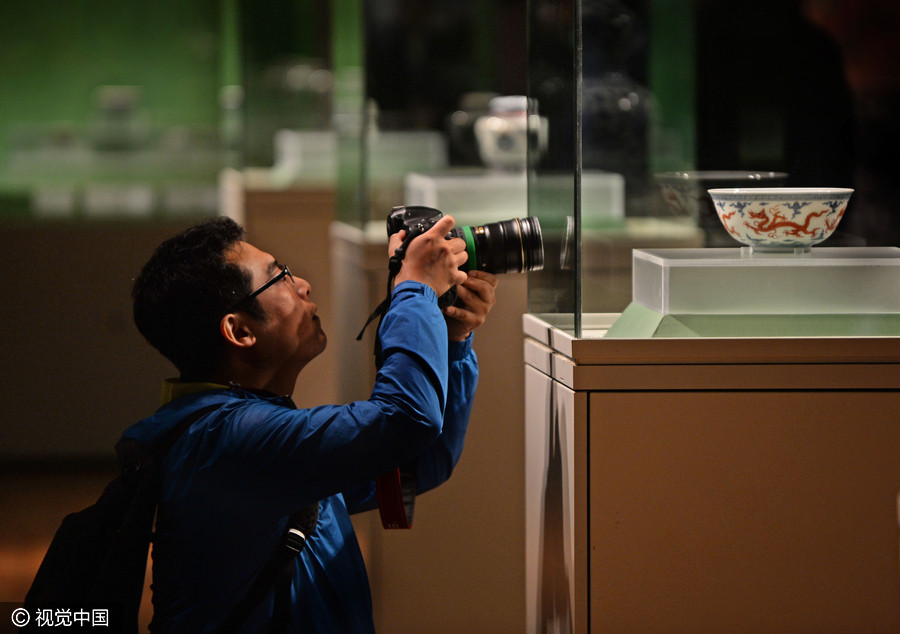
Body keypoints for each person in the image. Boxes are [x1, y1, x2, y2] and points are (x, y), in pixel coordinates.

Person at [124, 214, 498, 632]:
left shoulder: (249, 433)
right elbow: (407, 419)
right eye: (279, 276)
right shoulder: (225, 442)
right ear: (240, 330)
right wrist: (415, 288)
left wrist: (452, 340)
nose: (302, 283)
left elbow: (417, 463)